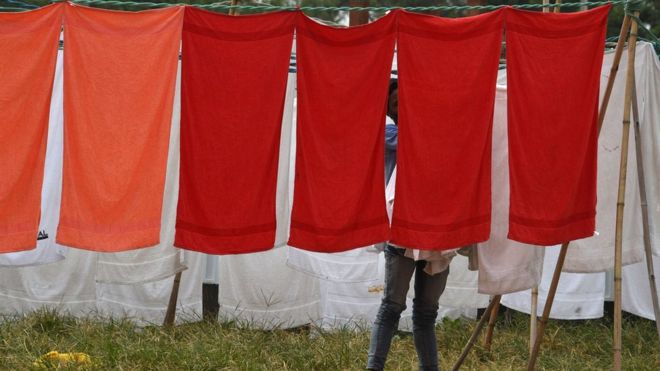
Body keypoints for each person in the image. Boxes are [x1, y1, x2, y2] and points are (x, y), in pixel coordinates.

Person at [367, 79, 452, 371]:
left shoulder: (434, 131)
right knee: (392, 306)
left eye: (405, 99)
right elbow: (419, 140)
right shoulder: (390, 133)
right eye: (395, 104)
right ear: (390, 112)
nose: (402, 107)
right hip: (401, 232)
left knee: (427, 313)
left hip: (437, 230)